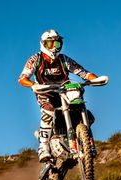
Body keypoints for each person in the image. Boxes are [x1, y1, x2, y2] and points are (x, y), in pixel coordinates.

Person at [18, 29, 99, 162]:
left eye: (57, 44)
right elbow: (22, 78)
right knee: (48, 110)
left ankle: (82, 140)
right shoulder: (36, 59)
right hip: (45, 91)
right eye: (51, 44)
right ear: (43, 44)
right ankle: (43, 146)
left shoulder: (64, 59)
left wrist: (96, 80)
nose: (54, 47)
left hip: (65, 90)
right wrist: (33, 84)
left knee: (85, 112)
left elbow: (83, 72)